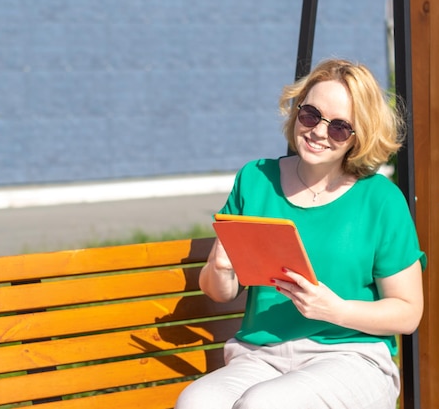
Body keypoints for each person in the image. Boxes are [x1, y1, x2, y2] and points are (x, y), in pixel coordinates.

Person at [175, 59, 426, 409]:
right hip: (261, 356)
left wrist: (333, 309)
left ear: (359, 135)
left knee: (264, 404)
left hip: (351, 357)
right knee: (196, 403)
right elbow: (221, 292)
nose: (319, 132)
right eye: (310, 114)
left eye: (339, 127)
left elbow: (407, 312)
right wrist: (219, 269)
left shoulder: (380, 199)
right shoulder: (256, 180)